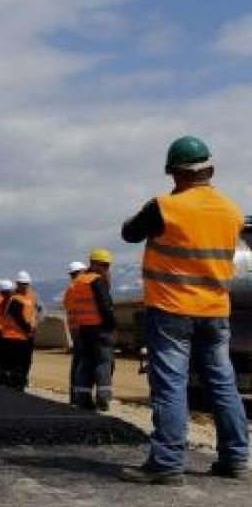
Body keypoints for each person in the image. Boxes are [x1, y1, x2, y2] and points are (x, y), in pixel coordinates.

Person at [120, 135, 247, 484]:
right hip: (216, 311)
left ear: (173, 173)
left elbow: (129, 233)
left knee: (171, 383)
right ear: (211, 169)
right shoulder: (232, 211)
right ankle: (236, 458)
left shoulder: (165, 207)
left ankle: (167, 463)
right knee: (222, 383)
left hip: (172, 309)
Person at [66, 250, 116, 410]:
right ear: (94, 264)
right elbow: (105, 306)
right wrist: (112, 325)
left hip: (83, 329)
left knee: (86, 362)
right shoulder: (97, 280)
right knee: (103, 362)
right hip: (100, 328)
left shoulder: (78, 282)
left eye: (108, 266)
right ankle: (103, 397)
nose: (106, 269)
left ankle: (82, 397)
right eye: (104, 265)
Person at [63, 261, 86, 400]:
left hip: (74, 328)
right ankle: (79, 394)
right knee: (82, 361)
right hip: (81, 328)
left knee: (77, 360)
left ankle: (74, 394)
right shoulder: (80, 287)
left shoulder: (69, 289)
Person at [0, 280, 17, 386]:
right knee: (3, 359)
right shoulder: (1, 302)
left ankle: (9, 380)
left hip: (13, 335)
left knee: (10, 360)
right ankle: (4, 379)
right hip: (3, 334)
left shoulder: (14, 301)